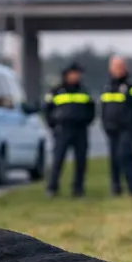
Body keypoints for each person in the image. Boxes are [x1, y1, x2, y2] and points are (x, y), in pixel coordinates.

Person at [43, 62, 95, 197]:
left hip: (80, 129)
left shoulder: (83, 91)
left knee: (81, 161)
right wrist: (53, 124)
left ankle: (78, 188)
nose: (75, 76)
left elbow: (91, 109)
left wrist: (86, 121)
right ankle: (52, 187)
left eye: (77, 74)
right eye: (73, 73)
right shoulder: (56, 91)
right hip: (62, 128)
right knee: (58, 159)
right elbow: (47, 109)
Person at [100, 54, 132, 196]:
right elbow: (103, 108)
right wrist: (105, 124)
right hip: (112, 128)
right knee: (114, 159)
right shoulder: (107, 86)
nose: (117, 69)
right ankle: (116, 187)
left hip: (127, 128)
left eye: (120, 66)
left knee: (125, 156)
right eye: (114, 66)